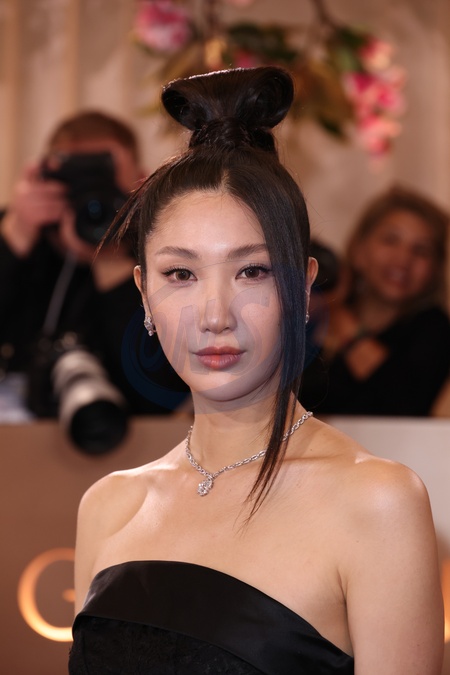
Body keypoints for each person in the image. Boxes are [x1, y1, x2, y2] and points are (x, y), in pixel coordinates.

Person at [69, 68, 444, 673]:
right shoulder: (108, 506)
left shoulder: (378, 503)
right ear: (143, 292)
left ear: (304, 286)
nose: (215, 315)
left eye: (253, 271)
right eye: (180, 274)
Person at [0, 110, 188, 420]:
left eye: (105, 179)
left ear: (141, 185)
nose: (91, 196)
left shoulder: (163, 253)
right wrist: (15, 236)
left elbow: (163, 398)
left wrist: (110, 260)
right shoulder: (21, 234)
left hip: (131, 442)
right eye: (77, 180)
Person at [301, 186, 450, 416]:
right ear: (359, 250)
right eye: (391, 240)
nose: (403, 259)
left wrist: (343, 321)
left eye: (421, 250)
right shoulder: (317, 311)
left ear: (435, 270)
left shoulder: (434, 328)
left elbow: (404, 404)